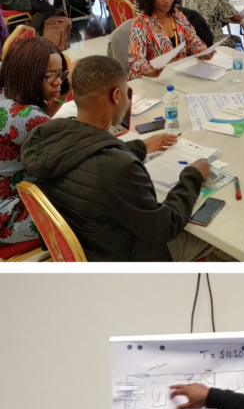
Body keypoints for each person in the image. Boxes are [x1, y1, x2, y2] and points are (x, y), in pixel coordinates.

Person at [20, 55, 221, 262]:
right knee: (219, 236)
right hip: (124, 256)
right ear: (116, 96)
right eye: (127, 92)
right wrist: (192, 176)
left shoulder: (48, 135)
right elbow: (164, 226)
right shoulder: (118, 168)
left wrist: (139, 147)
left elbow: (85, 155)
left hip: (90, 245)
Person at [0, 37, 68, 247]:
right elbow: (69, 154)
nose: (58, 82)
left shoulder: (6, 98)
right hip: (11, 215)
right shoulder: (26, 117)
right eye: (49, 76)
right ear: (28, 76)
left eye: (61, 74)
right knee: (90, 210)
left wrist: (57, 93)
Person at [128, 0, 211, 80]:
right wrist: (147, 69)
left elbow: (193, 41)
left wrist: (201, 50)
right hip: (153, 81)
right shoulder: (141, 23)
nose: (167, 0)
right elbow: (136, 59)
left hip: (179, 76)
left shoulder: (177, 16)